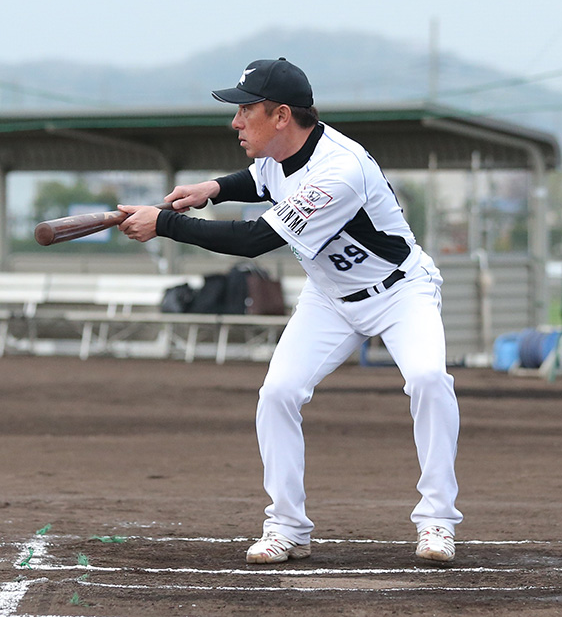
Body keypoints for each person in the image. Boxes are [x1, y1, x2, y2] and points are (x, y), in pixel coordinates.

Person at [118, 57, 462, 564]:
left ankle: (437, 522)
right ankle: (288, 526)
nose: (235, 121)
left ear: (281, 115)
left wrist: (164, 224)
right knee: (277, 393)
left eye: (245, 110)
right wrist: (212, 188)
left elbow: (255, 239)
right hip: (329, 297)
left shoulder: (340, 170)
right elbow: (259, 180)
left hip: (399, 292)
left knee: (429, 379)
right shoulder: (280, 150)